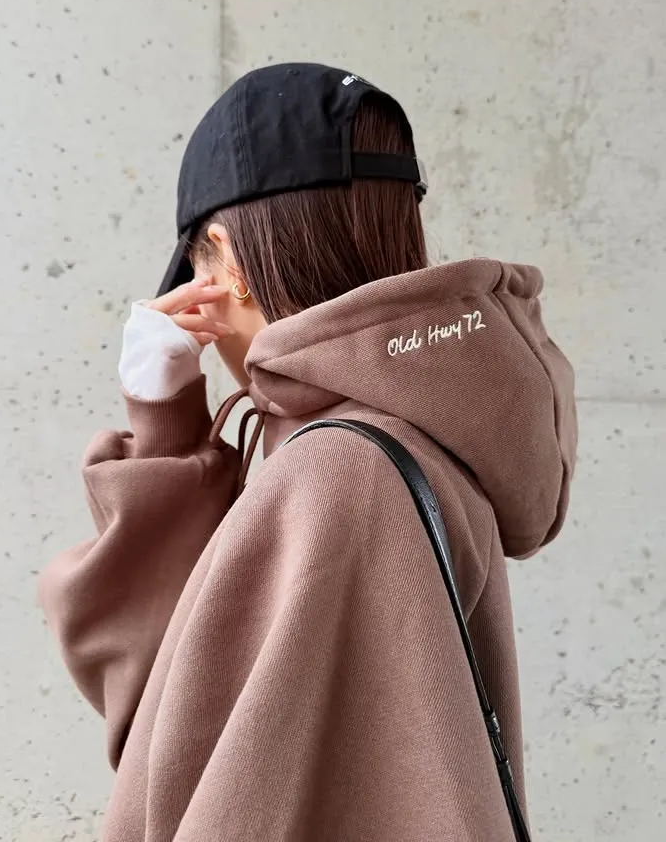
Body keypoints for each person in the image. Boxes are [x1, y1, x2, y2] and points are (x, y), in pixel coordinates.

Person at [40, 63, 577, 841]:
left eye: (198, 268)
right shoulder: (415, 438)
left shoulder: (332, 476)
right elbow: (182, 708)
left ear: (227, 258)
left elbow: (180, 765)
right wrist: (166, 431)